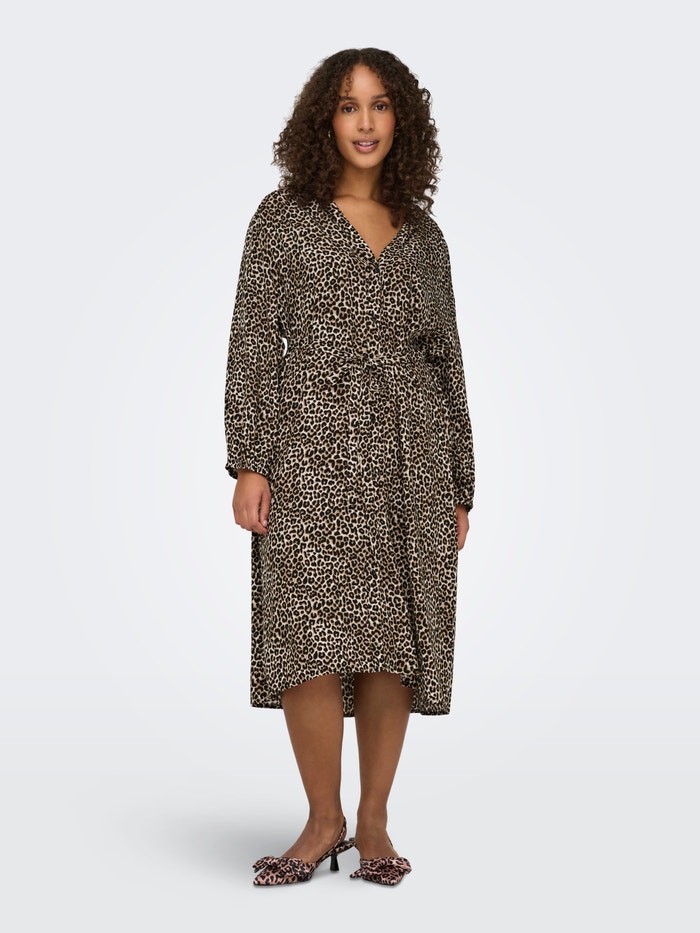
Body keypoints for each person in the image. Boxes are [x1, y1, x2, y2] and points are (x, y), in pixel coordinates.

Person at [224, 47, 475, 887]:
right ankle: (321, 818)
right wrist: (250, 460)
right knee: (310, 633)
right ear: (322, 121)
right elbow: (253, 342)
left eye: (379, 105)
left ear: (402, 119)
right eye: (346, 105)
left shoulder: (425, 236)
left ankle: (372, 820)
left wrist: (460, 481)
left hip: (412, 456)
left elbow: (448, 361)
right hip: (309, 449)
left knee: (389, 640)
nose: (364, 122)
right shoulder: (284, 218)